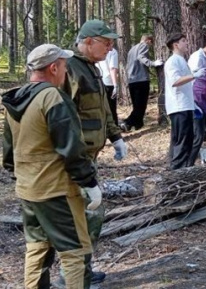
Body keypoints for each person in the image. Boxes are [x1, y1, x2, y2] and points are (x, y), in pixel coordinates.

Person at [2, 44, 100, 288]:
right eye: (65, 67)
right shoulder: (52, 97)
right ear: (54, 67)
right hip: (56, 190)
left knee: (36, 249)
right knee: (74, 252)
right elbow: (72, 149)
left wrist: (23, 176)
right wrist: (89, 182)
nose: (66, 72)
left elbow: (8, 153)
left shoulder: (16, 101)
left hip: (28, 189)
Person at [63, 19, 128, 285]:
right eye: (106, 41)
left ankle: (83, 270)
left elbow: (102, 110)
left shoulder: (92, 68)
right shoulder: (70, 70)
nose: (110, 46)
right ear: (88, 41)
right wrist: (75, 160)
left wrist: (115, 136)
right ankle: (72, 275)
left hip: (90, 156)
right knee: (82, 216)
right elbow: (63, 119)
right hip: (75, 159)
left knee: (90, 215)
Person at [164, 33, 197, 169]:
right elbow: (175, 81)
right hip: (178, 106)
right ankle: (176, 170)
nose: (186, 43)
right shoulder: (173, 61)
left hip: (186, 105)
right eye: (183, 41)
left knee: (187, 139)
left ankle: (182, 169)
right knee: (182, 140)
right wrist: (194, 75)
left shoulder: (182, 60)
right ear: (175, 45)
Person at [121, 35, 163, 132]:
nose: (150, 46)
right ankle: (127, 123)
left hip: (132, 80)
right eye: (151, 43)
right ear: (148, 40)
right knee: (141, 106)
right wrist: (153, 63)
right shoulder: (143, 46)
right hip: (141, 80)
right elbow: (141, 57)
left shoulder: (132, 49)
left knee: (137, 105)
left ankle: (138, 124)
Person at [96, 44, 120, 126]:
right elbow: (112, 68)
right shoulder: (112, 52)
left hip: (98, 82)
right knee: (111, 109)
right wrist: (115, 85)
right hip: (109, 83)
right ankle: (115, 133)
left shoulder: (97, 49)